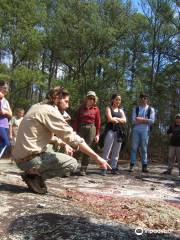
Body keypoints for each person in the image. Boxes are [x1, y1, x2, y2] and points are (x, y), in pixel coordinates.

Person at [12, 87, 110, 194]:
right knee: (72, 163)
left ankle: (33, 174)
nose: (67, 105)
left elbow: (38, 136)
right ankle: (33, 177)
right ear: (57, 98)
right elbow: (72, 137)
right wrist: (97, 157)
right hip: (30, 160)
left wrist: (62, 143)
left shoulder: (36, 106)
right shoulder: (50, 111)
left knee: (55, 146)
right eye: (66, 101)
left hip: (19, 159)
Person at [73, 91, 101, 176]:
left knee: (88, 148)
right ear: (86, 98)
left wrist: (97, 134)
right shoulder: (81, 108)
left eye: (93, 98)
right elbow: (76, 121)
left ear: (95, 100)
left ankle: (83, 169)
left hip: (91, 129)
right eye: (89, 98)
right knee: (78, 147)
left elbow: (98, 122)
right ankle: (72, 167)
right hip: (81, 128)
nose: (91, 100)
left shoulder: (96, 110)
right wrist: (74, 131)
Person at [129, 93, 155, 173]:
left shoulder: (151, 109)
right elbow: (133, 120)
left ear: (147, 99)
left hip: (145, 131)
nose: (143, 99)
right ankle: (132, 166)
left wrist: (140, 119)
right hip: (136, 130)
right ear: (140, 99)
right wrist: (145, 120)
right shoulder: (136, 108)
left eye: (145, 98)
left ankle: (144, 166)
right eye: (142, 98)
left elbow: (152, 121)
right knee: (134, 148)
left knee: (144, 148)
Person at [102, 94, 126, 175]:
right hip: (110, 131)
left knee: (116, 151)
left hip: (119, 132)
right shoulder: (108, 108)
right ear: (112, 100)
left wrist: (116, 119)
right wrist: (117, 119)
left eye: (119, 100)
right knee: (107, 149)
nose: (118, 101)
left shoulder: (121, 110)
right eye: (116, 99)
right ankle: (104, 167)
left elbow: (124, 120)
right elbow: (110, 119)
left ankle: (114, 167)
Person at [0, 80, 12, 158]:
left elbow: (11, 114)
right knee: (6, 143)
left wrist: (6, 112)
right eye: (5, 88)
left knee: (2, 143)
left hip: (5, 126)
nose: (6, 90)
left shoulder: (6, 101)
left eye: (7, 88)